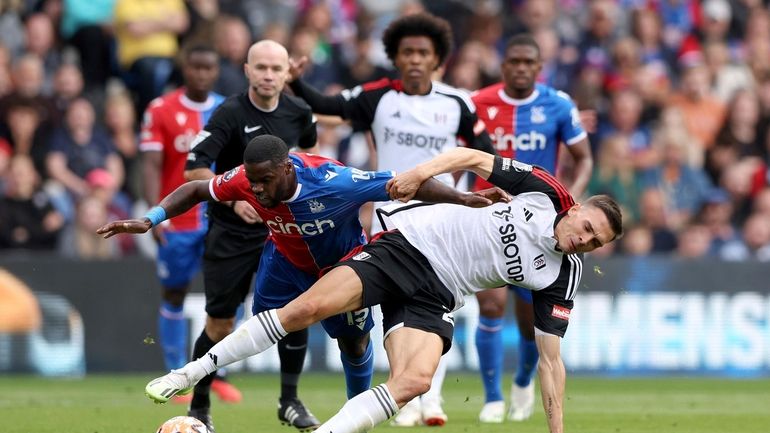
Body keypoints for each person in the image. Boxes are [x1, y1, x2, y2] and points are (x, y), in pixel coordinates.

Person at [130, 147, 623, 433]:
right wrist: (421, 173)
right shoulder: (543, 191)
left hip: (439, 293)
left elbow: (551, 361)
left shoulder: (561, 274)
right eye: (587, 227)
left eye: (596, 242)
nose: (585, 240)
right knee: (307, 308)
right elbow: (472, 156)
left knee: (416, 383)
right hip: (407, 246)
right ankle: (189, 372)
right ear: (576, 208)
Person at [100, 134, 501, 422]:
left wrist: (465, 198)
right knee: (272, 329)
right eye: (252, 181)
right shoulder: (245, 178)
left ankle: (354, 414)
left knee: (354, 344)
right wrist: (149, 219)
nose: (255, 189)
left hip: (342, 268)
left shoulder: (335, 181)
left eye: (264, 181)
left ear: (287, 168)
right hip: (283, 264)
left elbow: (408, 184)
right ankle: (214, 384)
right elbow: (196, 190)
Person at [288, 13, 496, 425]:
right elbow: (327, 106)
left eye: (424, 53)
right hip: (391, 217)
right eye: (407, 53)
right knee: (393, 305)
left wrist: (477, 201)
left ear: (437, 59)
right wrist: (295, 82)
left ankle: (430, 398)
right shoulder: (377, 97)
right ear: (396, 58)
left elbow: (486, 155)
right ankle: (406, 390)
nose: (415, 59)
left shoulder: (458, 103)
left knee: (439, 302)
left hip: (443, 218)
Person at [180, 40, 321, 431]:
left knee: (296, 315)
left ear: (287, 72)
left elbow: (312, 157)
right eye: (261, 67)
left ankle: (289, 401)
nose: (269, 75)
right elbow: (194, 169)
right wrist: (232, 201)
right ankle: (200, 407)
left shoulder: (300, 112)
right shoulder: (228, 113)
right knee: (219, 325)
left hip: (283, 233)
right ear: (246, 70)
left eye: (276, 68)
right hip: (231, 233)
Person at [468, 34, 593, 423]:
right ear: (503, 65)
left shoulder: (557, 104)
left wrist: (570, 202)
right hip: (488, 213)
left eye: (529, 63)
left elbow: (583, 158)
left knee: (528, 321)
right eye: (514, 61)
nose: (521, 68)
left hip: (540, 225)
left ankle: (523, 378)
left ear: (539, 68)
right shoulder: (477, 102)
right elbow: (462, 154)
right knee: (489, 303)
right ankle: (491, 397)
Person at [139, 44, 233, 405]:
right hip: (177, 220)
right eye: (195, 67)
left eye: (208, 67)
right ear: (185, 68)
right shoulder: (161, 109)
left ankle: (217, 373)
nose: (202, 74)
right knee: (175, 293)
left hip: (219, 219)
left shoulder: (227, 109)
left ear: (215, 69)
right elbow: (150, 163)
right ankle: (175, 371)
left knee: (224, 296)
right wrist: (152, 210)